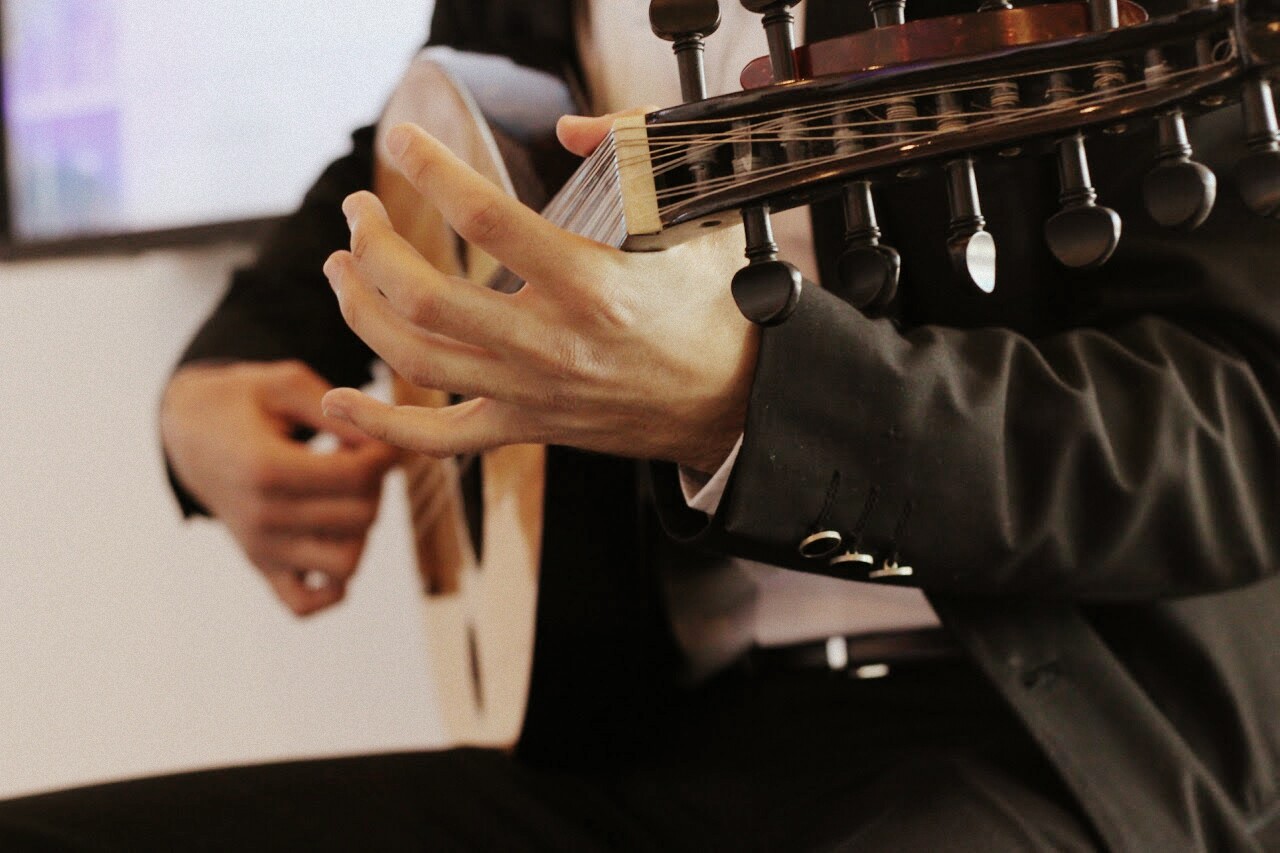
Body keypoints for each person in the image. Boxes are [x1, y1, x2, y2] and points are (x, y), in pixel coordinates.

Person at [3, 0, 1279, 850]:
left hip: (1039, 741)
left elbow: (1240, 434)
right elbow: (427, 142)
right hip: (631, 735)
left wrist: (752, 400)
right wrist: (221, 376)